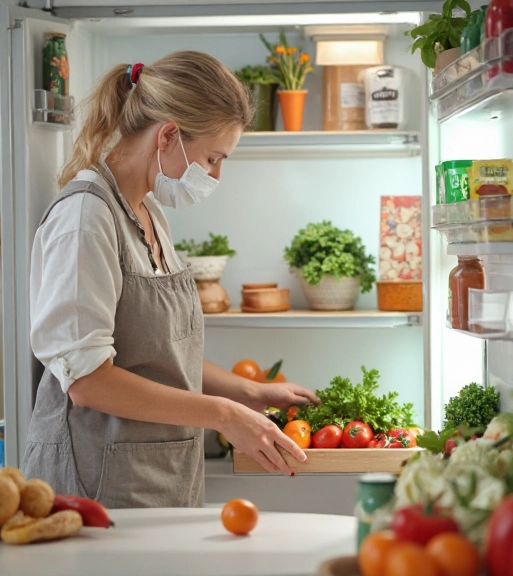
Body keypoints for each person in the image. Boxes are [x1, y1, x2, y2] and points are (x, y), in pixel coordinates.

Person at [22, 51, 320, 509]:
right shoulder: (85, 217)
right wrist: (224, 414)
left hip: (154, 476)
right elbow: (88, 382)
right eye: (213, 159)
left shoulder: (148, 211)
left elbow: (157, 353)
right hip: (93, 485)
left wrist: (250, 393)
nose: (216, 175)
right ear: (168, 136)